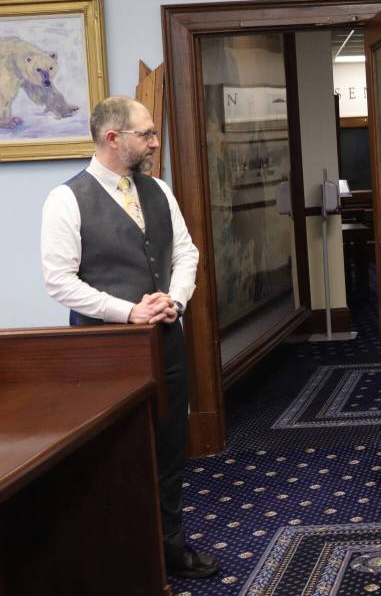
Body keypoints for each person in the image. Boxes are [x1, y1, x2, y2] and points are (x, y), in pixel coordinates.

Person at [40, 96, 217, 580]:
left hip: (166, 341)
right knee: (115, 455)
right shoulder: (66, 199)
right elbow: (59, 281)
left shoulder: (158, 190)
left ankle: (170, 545)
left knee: (169, 445)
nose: (155, 143)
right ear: (113, 138)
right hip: (105, 352)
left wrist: (174, 301)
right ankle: (120, 557)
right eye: (147, 134)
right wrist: (129, 312)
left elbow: (186, 253)